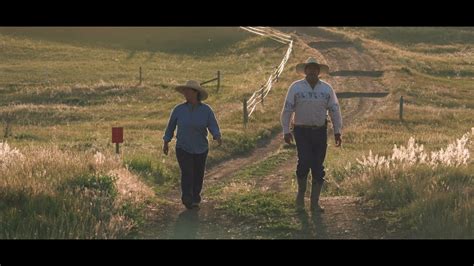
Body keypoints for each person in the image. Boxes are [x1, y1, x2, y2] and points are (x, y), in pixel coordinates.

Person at [280, 57, 342, 212]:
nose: (312, 71)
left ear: (319, 71)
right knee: (304, 161)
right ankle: (300, 197)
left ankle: (314, 202)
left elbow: (335, 110)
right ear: (305, 70)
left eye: (315, 68)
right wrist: (286, 130)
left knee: (318, 166)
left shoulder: (327, 89)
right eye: (310, 68)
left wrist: (337, 131)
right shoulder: (296, 87)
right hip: (301, 130)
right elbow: (287, 109)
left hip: (320, 131)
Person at [163, 80, 222, 210]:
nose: (185, 93)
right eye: (185, 91)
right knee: (187, 172)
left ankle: (195, 197)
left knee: (198, 173)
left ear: (196, 93)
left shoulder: (206, 110)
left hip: (201, 147)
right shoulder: (178, 110)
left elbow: (212, 124)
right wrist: (166, 141)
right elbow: (170, 126)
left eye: (188, 90)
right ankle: (187, 198)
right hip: (183, 147)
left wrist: (217, 135)